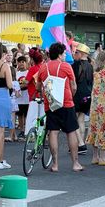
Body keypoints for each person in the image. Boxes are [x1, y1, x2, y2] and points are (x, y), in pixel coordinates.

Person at [37, 42, 82, 172]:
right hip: (66, 102)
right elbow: (74, 86)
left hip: (50, 104)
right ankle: (75, 163)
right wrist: (71, 96)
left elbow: (39, 86)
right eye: (64, 53)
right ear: (60, 54)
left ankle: (55, 164)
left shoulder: (43, 68)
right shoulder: (66, 67)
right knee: (71, 132)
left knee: (53, 132)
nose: (65, 55)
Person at [86, 50, 105, 166]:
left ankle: (95, 156)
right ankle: (102, 157)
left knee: (94, 128)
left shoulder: (96, 73)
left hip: (95, 104)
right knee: (104, 129)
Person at [72, 43, 93, 155]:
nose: (75, 54)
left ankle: (80, 144)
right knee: (81, 119)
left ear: (81, 53)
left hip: (77, 95)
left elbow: (72, 82)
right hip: (88, 95)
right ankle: (80, 143)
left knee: (73, 120)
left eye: (76, 52)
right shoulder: (90, 66)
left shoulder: (76, 65)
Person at [15, 55, 30, 139]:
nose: (21, 64)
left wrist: (21, 86)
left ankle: (27, 130)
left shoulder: (28, 72)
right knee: (20, 115)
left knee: (27, 114)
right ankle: (21, 129)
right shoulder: (17, 73)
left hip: (27, 96)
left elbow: (28, 83)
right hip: (19, 97)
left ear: (26, 63)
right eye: (19, 62)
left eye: (23, 62)